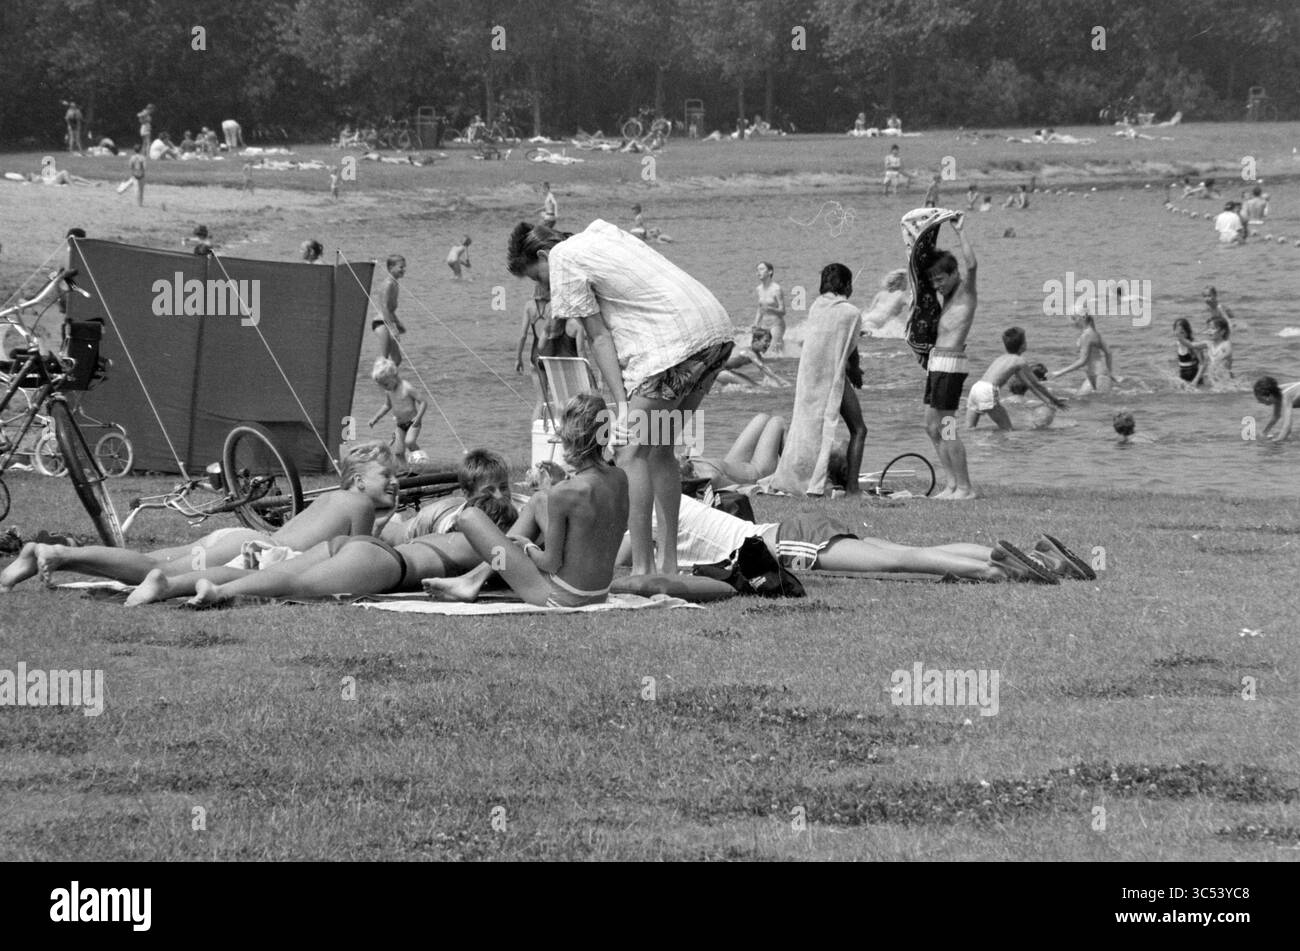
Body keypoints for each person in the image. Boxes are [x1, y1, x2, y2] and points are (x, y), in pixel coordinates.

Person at [506, 219, 735, 576]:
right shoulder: (598, 236)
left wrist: (624, 406)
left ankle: (643, 569)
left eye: (537, 277)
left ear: (541, 254)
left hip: (672, 345)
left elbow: (598, 337)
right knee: (660, 449)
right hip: (714, 332)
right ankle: (668, 566)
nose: (543, 287)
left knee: (630, 451)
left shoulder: (562, 258)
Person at [0, 443, 399, 593]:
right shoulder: (360, 505)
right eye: (388, 475)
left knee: (150, 563)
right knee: (149, 570)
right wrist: (389, 520)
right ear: (360, 481)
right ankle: (59, 556)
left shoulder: (333, 496)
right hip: (253, 550)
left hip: (233, 538)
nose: (396, 483)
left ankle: (45, 552)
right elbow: (358, 558)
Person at [426, 394, 630, 606]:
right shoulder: (620, 477)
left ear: (570, 437)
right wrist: (560, 485)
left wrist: (526, 546)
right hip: (598, 592)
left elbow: (550, 564)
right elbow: (595, 528)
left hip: (561, 596)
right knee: (539, 500)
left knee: (469, 518)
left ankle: (472, 580)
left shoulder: (565, 492)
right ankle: (472, 579)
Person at [619, 494, 1094, 584]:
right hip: (792, 530)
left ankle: (1000, 570)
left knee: (902, 562)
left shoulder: (640, 518)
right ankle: (1035, 555)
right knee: (902, 553)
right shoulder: (661, 499)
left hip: (786, 543)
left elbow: (617, 557)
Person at [161, 494, 516, 608]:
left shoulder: (449, 536)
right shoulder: (487, 547)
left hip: (358, 547)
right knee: (293, 586)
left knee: (272, 574)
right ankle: (220, 591)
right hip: (385, 563)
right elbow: (522, 560)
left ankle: (172, 584)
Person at [765, 263, 866, 497]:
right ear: (848, 285)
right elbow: (849, 350)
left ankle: (801, 477)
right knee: (859, 430)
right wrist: (856, 373)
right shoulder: (850, 312)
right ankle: (852, 489)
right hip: (831, 381)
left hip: (810, 380)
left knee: (807, 430)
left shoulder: (816, 307)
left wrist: (852, 371)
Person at [919, 217, 978, 499]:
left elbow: (972, 264)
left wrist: (960, 230)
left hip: (951, 365)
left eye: (940, 279)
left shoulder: (966, 292)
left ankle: (966, 488)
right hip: (936, 364)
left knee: (947, 427)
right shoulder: (945, 296)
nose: (937, 285)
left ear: (954, 274)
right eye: (934, 281)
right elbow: (918, 270)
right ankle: (951, 484)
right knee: (931, 427)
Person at [967, 327, 1066, 430]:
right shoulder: (1019, 361)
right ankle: (1001, 446)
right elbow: (1036, 384)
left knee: (970, 429)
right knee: (1008, 430)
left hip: (976, 388)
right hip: (988, 390)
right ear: (1023, 345)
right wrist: (1054, 400)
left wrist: (1046, 401)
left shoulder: (1002, 358)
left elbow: (1029, 385)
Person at [514, 283, 585, 420]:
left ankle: (535, 433)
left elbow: (523, 335)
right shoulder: (553, 307)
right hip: (555, 355)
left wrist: (518, 358)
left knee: (540, 401)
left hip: (538, 354)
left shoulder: (529, 306)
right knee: (563, 397)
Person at [682, 412, 786, 487]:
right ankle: (795, 477)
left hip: (731, 463)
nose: (677, 456)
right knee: (778, 422)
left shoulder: (691, 465)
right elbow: (740, 489)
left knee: (762, 417)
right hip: (756, 472)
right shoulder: (711, 477)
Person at [1050, 302, 1116, 394]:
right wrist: (1110, 372)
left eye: (1074, 318)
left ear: (1083, 317)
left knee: (1101, 404)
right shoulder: (1094, 332)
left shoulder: (1087, 335)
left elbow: (1083, 361)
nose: (1072, 322)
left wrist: (1060, 372)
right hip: (1095, 375)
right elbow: (1108, 352)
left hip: (1099, 376)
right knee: (1080, 397)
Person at [369, 357, 426, 465]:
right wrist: (375, 418)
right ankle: (406, 471)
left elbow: (423, 402)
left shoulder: (406, 388)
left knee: (409, 442)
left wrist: (418, 418)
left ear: (394, 376)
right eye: (381, 385)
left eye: (385, 384)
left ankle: (422, 463)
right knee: (398, 452)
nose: (384, 388)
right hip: (400, 425)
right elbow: (387, 405)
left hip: (413, 423)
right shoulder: (389, 391)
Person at [714, 327, 788, 387]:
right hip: (717, 371)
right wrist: (780, 380)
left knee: (757, 385)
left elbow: (765, 370)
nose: (768, 344)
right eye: (766, 341)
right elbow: (763, 367)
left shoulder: (757, 355)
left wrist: (772, 381)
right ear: (756, 340)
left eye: (769, 342)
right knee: (751, 386)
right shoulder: (749, 353)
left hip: (723, 370)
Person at [370, 254, 407, 365]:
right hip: (381, 323)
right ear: (391, 268)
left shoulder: (395, 283)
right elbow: (384, 307)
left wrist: (398, 323)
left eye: (404, 267)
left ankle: (389, 381)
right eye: (401, 267)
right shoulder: (389, 283)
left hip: (388, 322)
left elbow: (391, 310)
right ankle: (380, 379)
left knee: (397, 360)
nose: (404, 270)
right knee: (384, 359)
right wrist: (392, 328)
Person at [751, 261, 787, 354]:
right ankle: (786, 353)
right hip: (764, 325)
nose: (758, 272)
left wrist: (770, 309)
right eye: (757, 270)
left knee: (771, 351)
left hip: (777, 325)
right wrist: (755, 323)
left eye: (762, 269)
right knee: (762, 351)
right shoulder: (758, 289)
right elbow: (760, 308)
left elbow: (783, 311)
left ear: (770, 272)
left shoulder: (777, 289)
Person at [1254, 376, 1300, 442]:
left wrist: (1277, 441)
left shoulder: (1285, 396)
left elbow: (1287, 427)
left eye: (1260, 399)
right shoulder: (1277, 394)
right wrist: (1264, 432)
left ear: (1269, 396)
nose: (1259, 402)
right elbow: (1276, 417)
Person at [1173, 318, 1206, 385]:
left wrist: (1195, 380)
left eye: (1182, 332)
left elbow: (1203, 364)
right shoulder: (1178, 343)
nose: (1179, 335)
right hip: (1184, 377)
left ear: (1187, 331)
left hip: (1194, 378)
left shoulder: (1193, 345)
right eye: (1177, 332)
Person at [1203, 316, 1233, 384]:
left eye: (1213, 329)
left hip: (1226, 380)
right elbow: (1192, 345)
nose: (1209, 331)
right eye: (1209, 329)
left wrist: (1217, 359)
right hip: (1213, 379)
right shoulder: (1210, 345)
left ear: (1222, 332)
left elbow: (1228, 352)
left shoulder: (1226, 343)